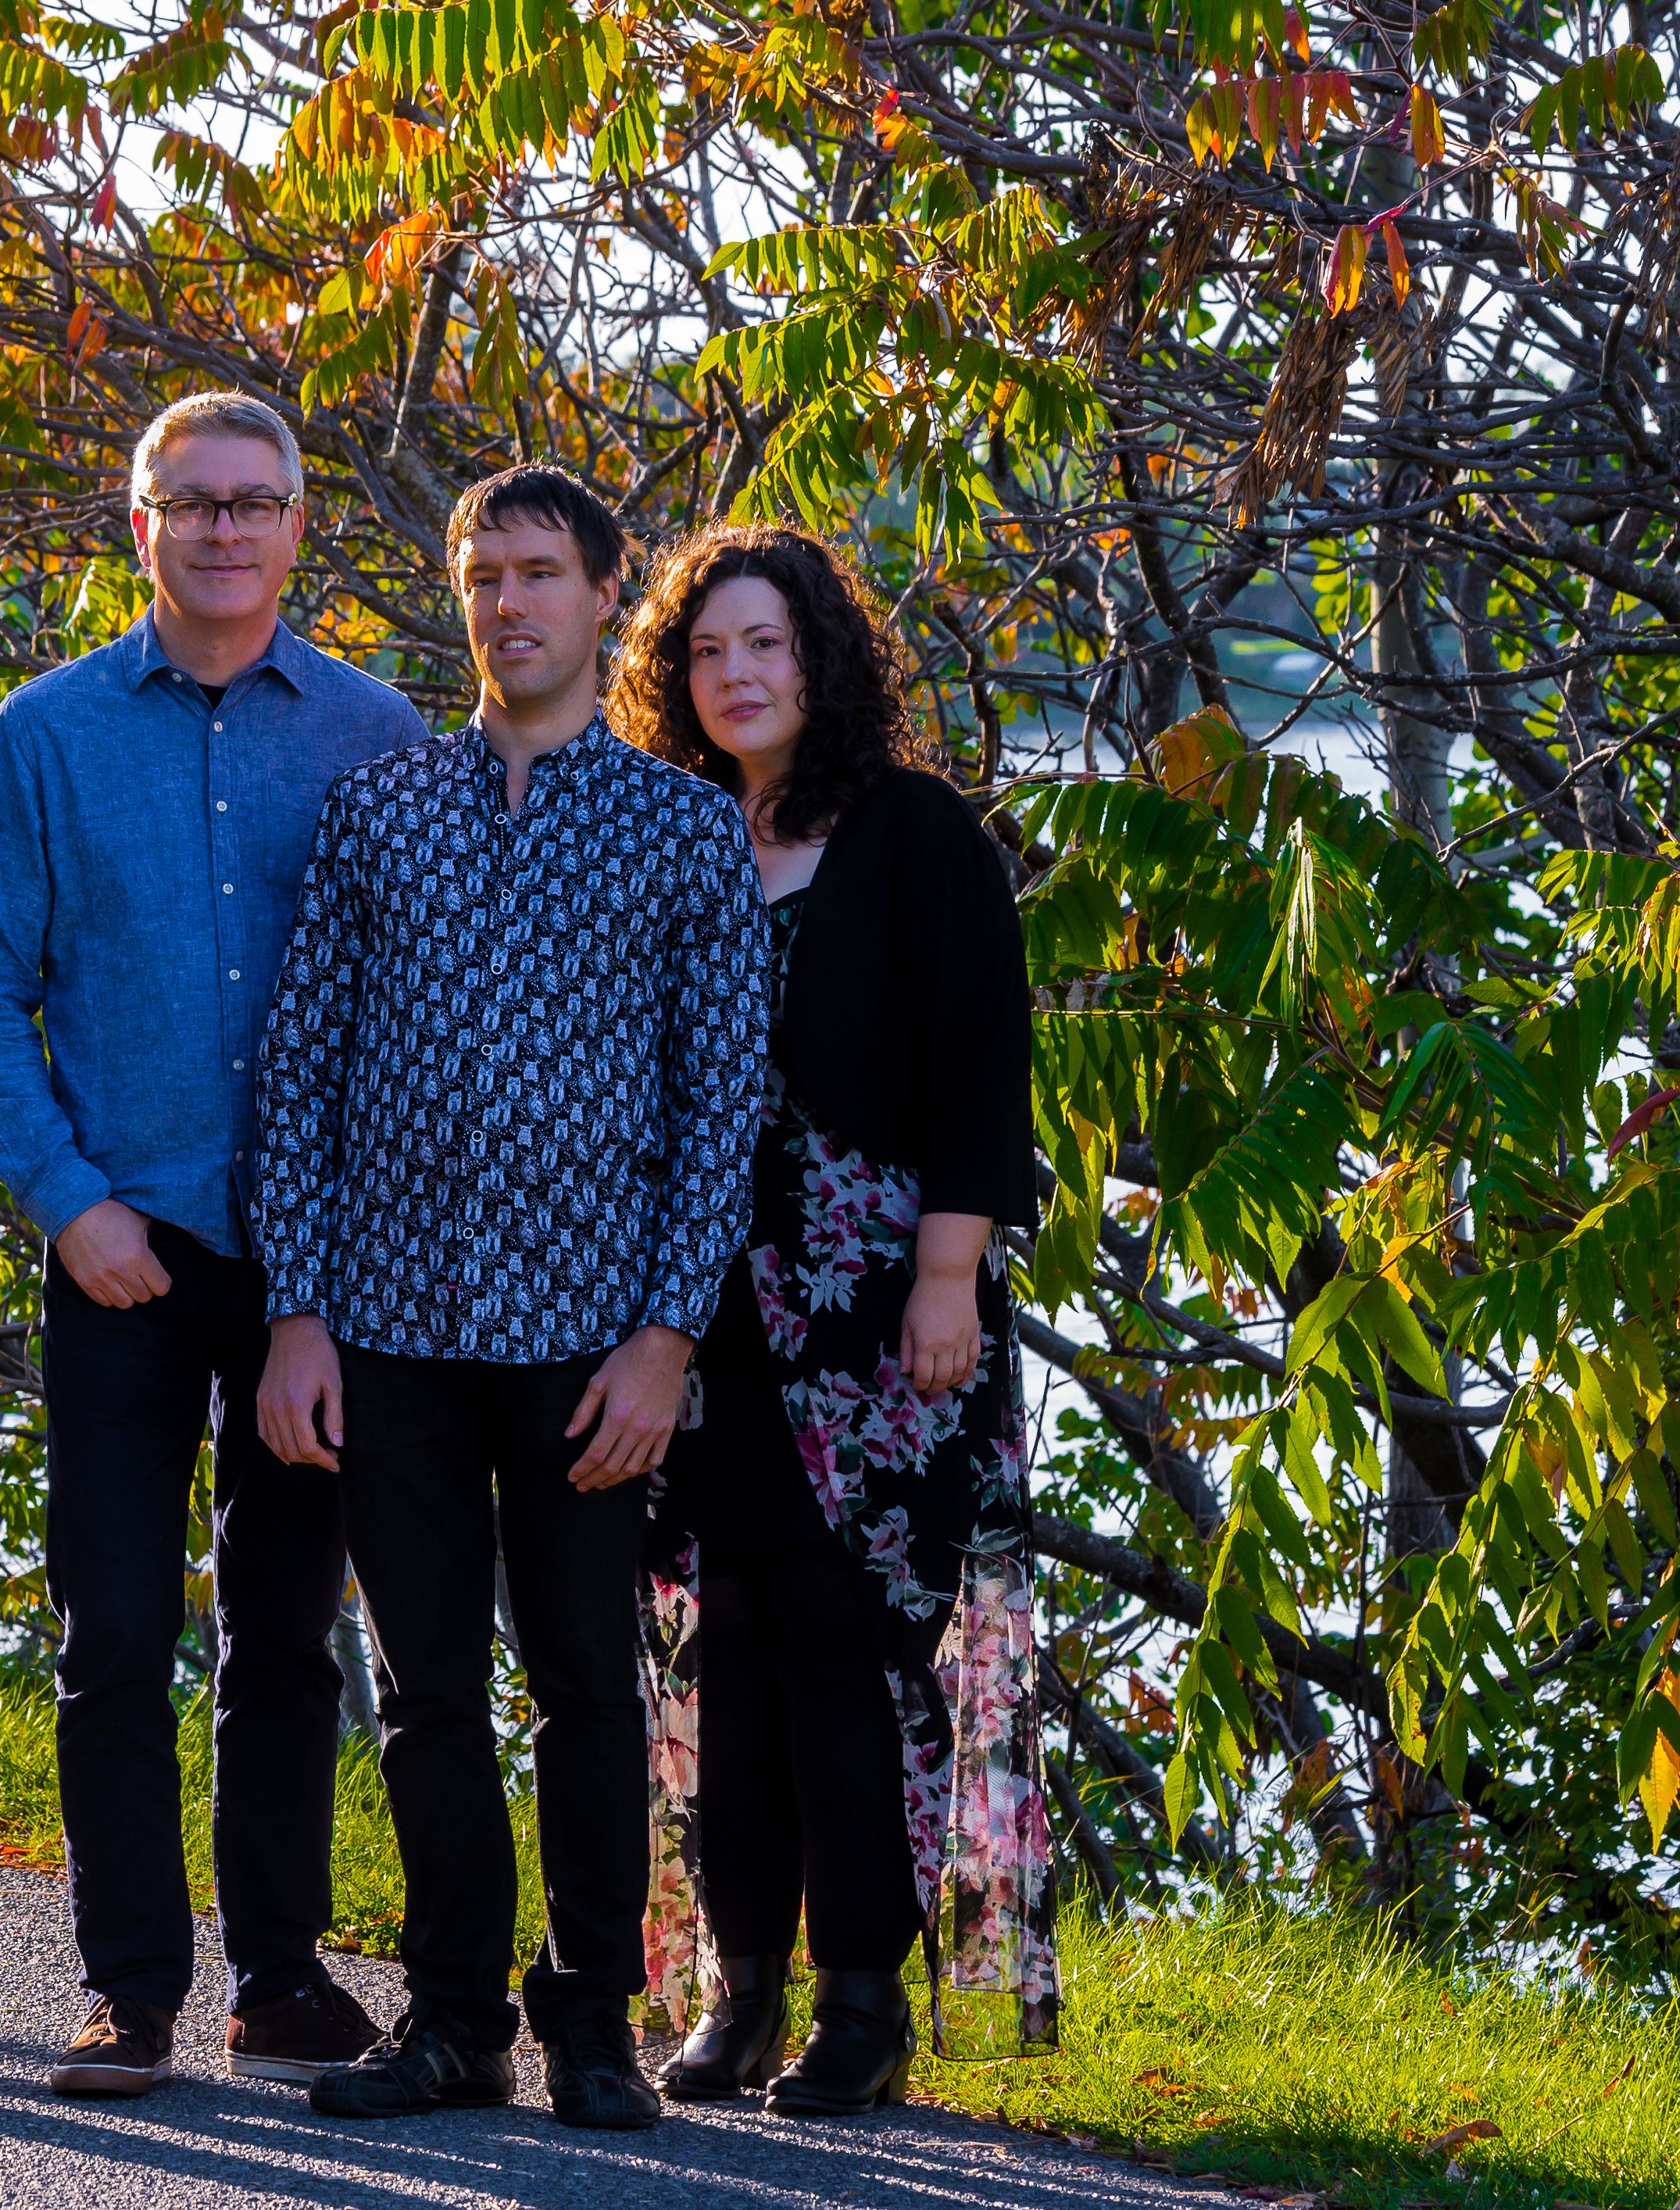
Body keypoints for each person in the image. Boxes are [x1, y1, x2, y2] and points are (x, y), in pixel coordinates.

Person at [252, 466, 767, 2132]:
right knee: (419, 1695)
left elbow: (720, 1105)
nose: (509, 602)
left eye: (540, 572)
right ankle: (453, 2017)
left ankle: (592, 2029)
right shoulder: (381, 808)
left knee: (584, 1694)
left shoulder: (682, 829)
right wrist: (298, 1315)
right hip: (389, 1331)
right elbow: (300, 1083)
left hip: (586, 1345)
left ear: (603, 595)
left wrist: (665, 1336)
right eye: (482, 574)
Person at [0, 392, 427, 2096]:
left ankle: (278, 1978)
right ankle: (129, 1986)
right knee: (113, 1632)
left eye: (255, 503)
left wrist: (338, 1268)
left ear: (301, 527)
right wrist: (67, 1202)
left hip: (317, 1272)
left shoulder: (382, 734)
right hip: (121, 1252)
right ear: (134, 524)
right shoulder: (46, 736)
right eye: (191, 504)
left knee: (286, 1631)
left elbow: (419, 1014)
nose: (224, 531)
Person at [606, 522, 1037, 2117]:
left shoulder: (916, 835)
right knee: (729, 1668)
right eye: (706, 651)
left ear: (822, 660)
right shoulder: (669, 836)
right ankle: (739, 1996)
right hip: (697, 1322)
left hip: (880, 1323)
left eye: (764, 645)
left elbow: (984, 1071)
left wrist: (945, 1276)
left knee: (857, 1662)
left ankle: (862, 2002)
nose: (734, 674)